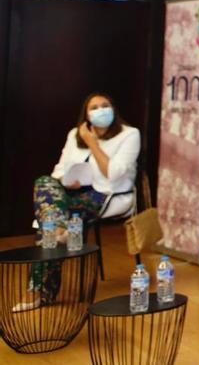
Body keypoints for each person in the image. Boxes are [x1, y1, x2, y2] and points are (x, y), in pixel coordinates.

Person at [14, 92, 141, 312]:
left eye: (105, 105)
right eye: (94, 107)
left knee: (50, 225)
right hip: (72, 193)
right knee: (44, 183)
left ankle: (40, 294)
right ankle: (59, 230)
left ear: (114, 109)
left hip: (107, 195)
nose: (101, 110)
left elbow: (113, 174)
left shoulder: (130, 134)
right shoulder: (75, 134)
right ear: (86, 114)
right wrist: (67, 180)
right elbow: (59, 171)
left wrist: (93, 142)